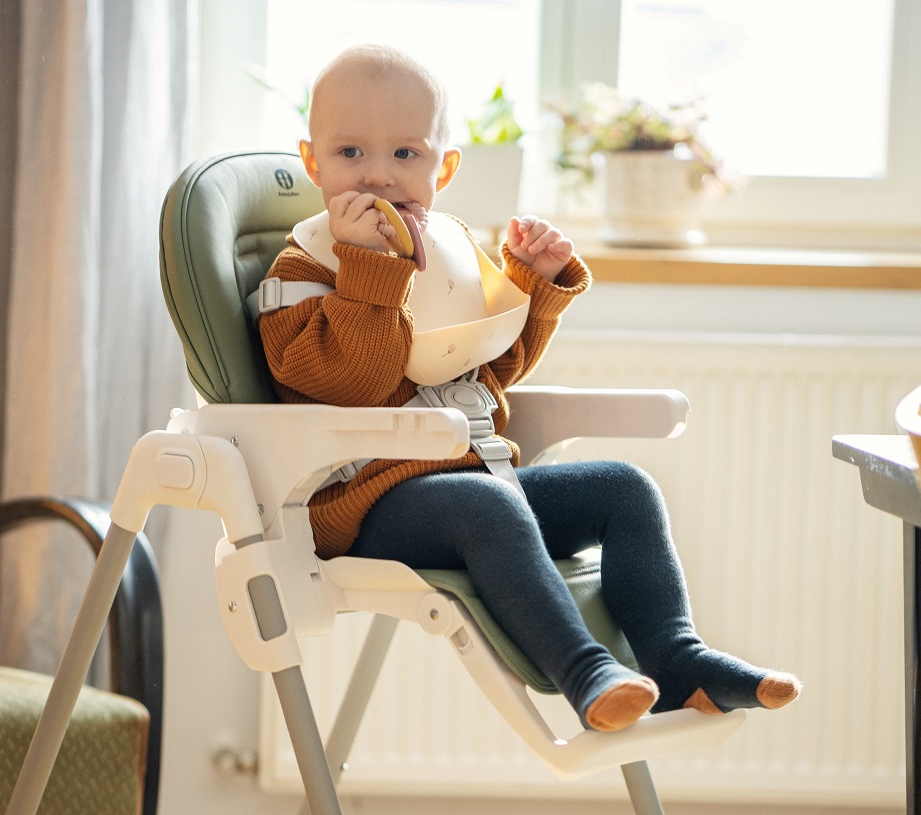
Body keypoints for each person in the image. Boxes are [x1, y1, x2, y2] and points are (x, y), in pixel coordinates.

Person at [258, 44, 801, 732]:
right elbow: (349, 381)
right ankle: (586, 674)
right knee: (485, 504)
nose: (379, 177)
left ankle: (678, 661)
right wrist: (367, 269)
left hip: (469, 478)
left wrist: (531, 285)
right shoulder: (305, 265)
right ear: (312, 161)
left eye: (405, 155)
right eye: (350, 155)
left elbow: (483, 373)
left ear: (443, 167)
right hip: (363, 499)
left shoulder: (446, 249)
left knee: (623, 489)